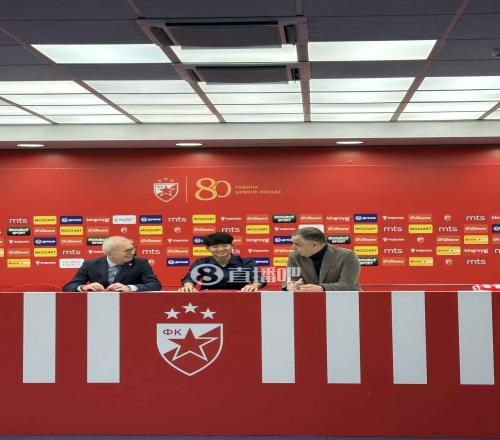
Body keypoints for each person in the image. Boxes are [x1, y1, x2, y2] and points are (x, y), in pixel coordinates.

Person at [63, 236, 161, 292]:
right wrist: (83, 287)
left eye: (133, 249)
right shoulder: (90, 264)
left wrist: (129, 288)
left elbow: (155, 285)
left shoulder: (140, 263)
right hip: (98, 307)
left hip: (130, 306)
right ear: (110, 253)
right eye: (127, 250)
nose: (133, 253)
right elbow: (69, 286)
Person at [179, 232, 266, 292]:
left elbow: (259, 279)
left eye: (225, 246)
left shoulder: (246, 263)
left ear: (231, 246)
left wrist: (254, 286)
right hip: (207, 301)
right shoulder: (201, 263)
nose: (220, 249)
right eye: (215, 247)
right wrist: (188, 286)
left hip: (240, 299)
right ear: (208, 248)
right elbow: (190, 278)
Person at [283, 227, 361, 292]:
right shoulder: (294, 256)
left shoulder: (347, 255)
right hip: (309, 300)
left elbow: (347, 285)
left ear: (314, 245)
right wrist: (290, 287)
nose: (293, 247)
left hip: (347, 300)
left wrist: (322, 288)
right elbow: (291, 280)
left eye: (297, 244)